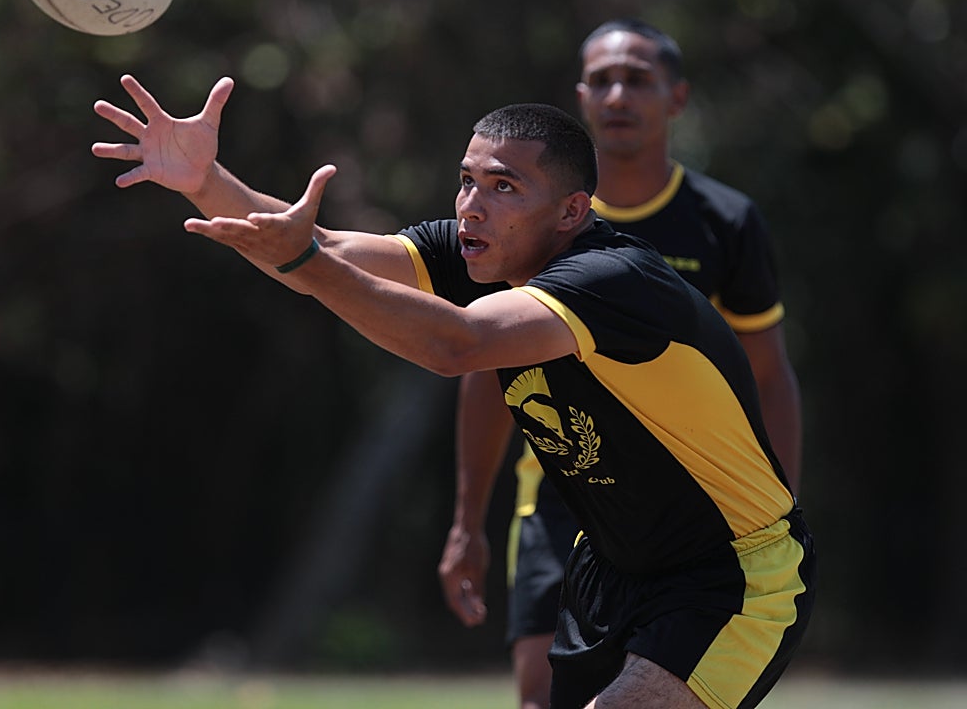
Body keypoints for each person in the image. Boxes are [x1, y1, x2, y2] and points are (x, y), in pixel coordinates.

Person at [90, 72, 816, 708]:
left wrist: (303, 262)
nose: (472, 204)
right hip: (611, 565)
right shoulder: (483, 250)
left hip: (731, 572)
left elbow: (454, 344)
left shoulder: (613, 278)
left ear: (571, 212)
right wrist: (204, 179)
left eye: (504, 187)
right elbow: (327, 245)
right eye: (467, 180)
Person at [437, 19, 806, 709]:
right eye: (601, 81)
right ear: (580, 97)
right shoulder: (527, 217)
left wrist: (775, 516)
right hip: (560, 494)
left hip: (679, 505)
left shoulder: (723, 221)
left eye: (637, 80)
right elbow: (482, 363)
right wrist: (467, 519)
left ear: (677, 97)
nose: (617, 96)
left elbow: (767, 372)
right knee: (540, 696)